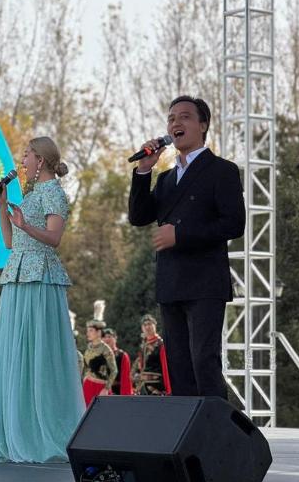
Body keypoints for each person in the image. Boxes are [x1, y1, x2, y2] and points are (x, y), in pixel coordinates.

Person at [128, 95, 245, 399]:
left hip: (205, 281)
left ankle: (216, 428)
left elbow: (234, 224)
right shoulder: (166, 179)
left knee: (204, 361)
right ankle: (187, 430)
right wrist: (144, 171)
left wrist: (181, 235)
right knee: (178, 367)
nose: (175, 123)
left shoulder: (222, 170)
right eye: (171, 118)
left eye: (184, 117)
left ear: (203, 125)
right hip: (171, 281)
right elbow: (139, 216)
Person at [0, 136, 85, 463]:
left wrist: (26, 224)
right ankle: (16, 428)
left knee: (38, 352)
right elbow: (11, 242)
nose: (22, 160)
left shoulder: (53, 192)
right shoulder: (31, 194)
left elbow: (54, 238)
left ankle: (42, 431)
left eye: (26, 154)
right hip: (17, 275)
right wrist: (2, 206)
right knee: (15, 353)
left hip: (40, 277)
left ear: (40, 159)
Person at [81, 304, 117, 405]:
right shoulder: (88, 349)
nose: (88, 333)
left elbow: (114, 371)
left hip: (101, 387)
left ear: (98, 332)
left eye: (91, 331)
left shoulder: (106, 349)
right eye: (87, 331)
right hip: (87, 386)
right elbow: (85, 368)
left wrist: (106, 388)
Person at [134, 314, 171, 395]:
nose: (147, 327)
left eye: (149, 324)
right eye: (145, 325)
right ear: (142, 328)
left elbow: (166, 367)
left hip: (157, 386)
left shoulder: (160, 344)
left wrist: (168, 389)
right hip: (143, 386)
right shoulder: (143, 345)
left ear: (155, 325)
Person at [103, 328, 133, 396]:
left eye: (109, 336)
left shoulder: (122, 355)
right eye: (104, 337)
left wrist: (125, 396)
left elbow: (126, 378)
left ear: (115, 338)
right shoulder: (99, 356)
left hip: (117, 392)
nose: (107, 339)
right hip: (102, 392)